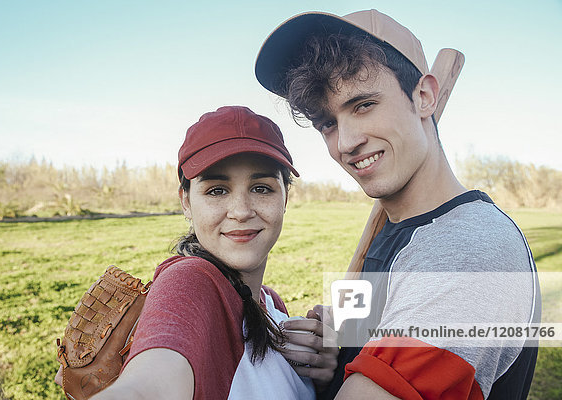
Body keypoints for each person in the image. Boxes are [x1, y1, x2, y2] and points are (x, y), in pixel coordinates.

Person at [255, 9, 540, 400]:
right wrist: (331, 361)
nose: (345, 143)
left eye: (363, 104)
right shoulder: (395, 231)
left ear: (424, 96)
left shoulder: (466, 252)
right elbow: (350, 361)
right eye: (328, 123)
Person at [90, 105, 337, 400]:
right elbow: (148, 385)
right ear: (186, 202)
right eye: (217, 190)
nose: (241, 211)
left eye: (261, 188)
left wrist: (324, 380)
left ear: (285, 196)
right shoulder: (190, 282)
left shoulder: (271, 304)